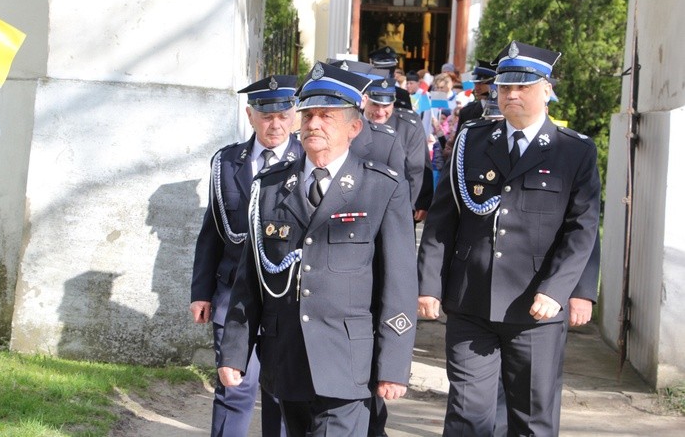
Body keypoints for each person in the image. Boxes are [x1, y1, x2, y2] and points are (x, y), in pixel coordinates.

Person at [218, 62, 418, 437]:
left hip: (347, 361)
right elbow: (251, 279)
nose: (313, 124)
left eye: (327, 116)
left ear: (354, 128)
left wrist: (393, 363)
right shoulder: (272, 187)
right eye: (308, 114)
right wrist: (234, 351)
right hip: (287, 356)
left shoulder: (381, 188)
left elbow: (400, 284)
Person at [417, 41, 601, 436]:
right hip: (470, 300)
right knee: (468, 414)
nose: (511, 95)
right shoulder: (472, 140)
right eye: (504, 87)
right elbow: (442, 219)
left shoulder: (575, 152)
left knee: (531, 419)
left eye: (523, 87)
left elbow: (582, 229)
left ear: (547, 90)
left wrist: (559, 290)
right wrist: (429, 283)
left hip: (536, 307)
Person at [190, 75, 302, 437]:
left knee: (281, 394)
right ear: (251, 115)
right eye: (267, 116)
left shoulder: (308, 160)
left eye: (284, 115)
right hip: (232, 296)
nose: (276, 124)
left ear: (294, 115)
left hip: (287, 297)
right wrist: (201, 292)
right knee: (234, 388)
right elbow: (212, 231)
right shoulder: (226, 162)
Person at [363, 76, 431, 220]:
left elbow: (416, 169)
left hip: (395, 207)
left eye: (386, 106)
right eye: (375, 104)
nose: (380, 112)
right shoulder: (350, 122)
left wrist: (409, 208)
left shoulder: (407, 126)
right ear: (364, 100)